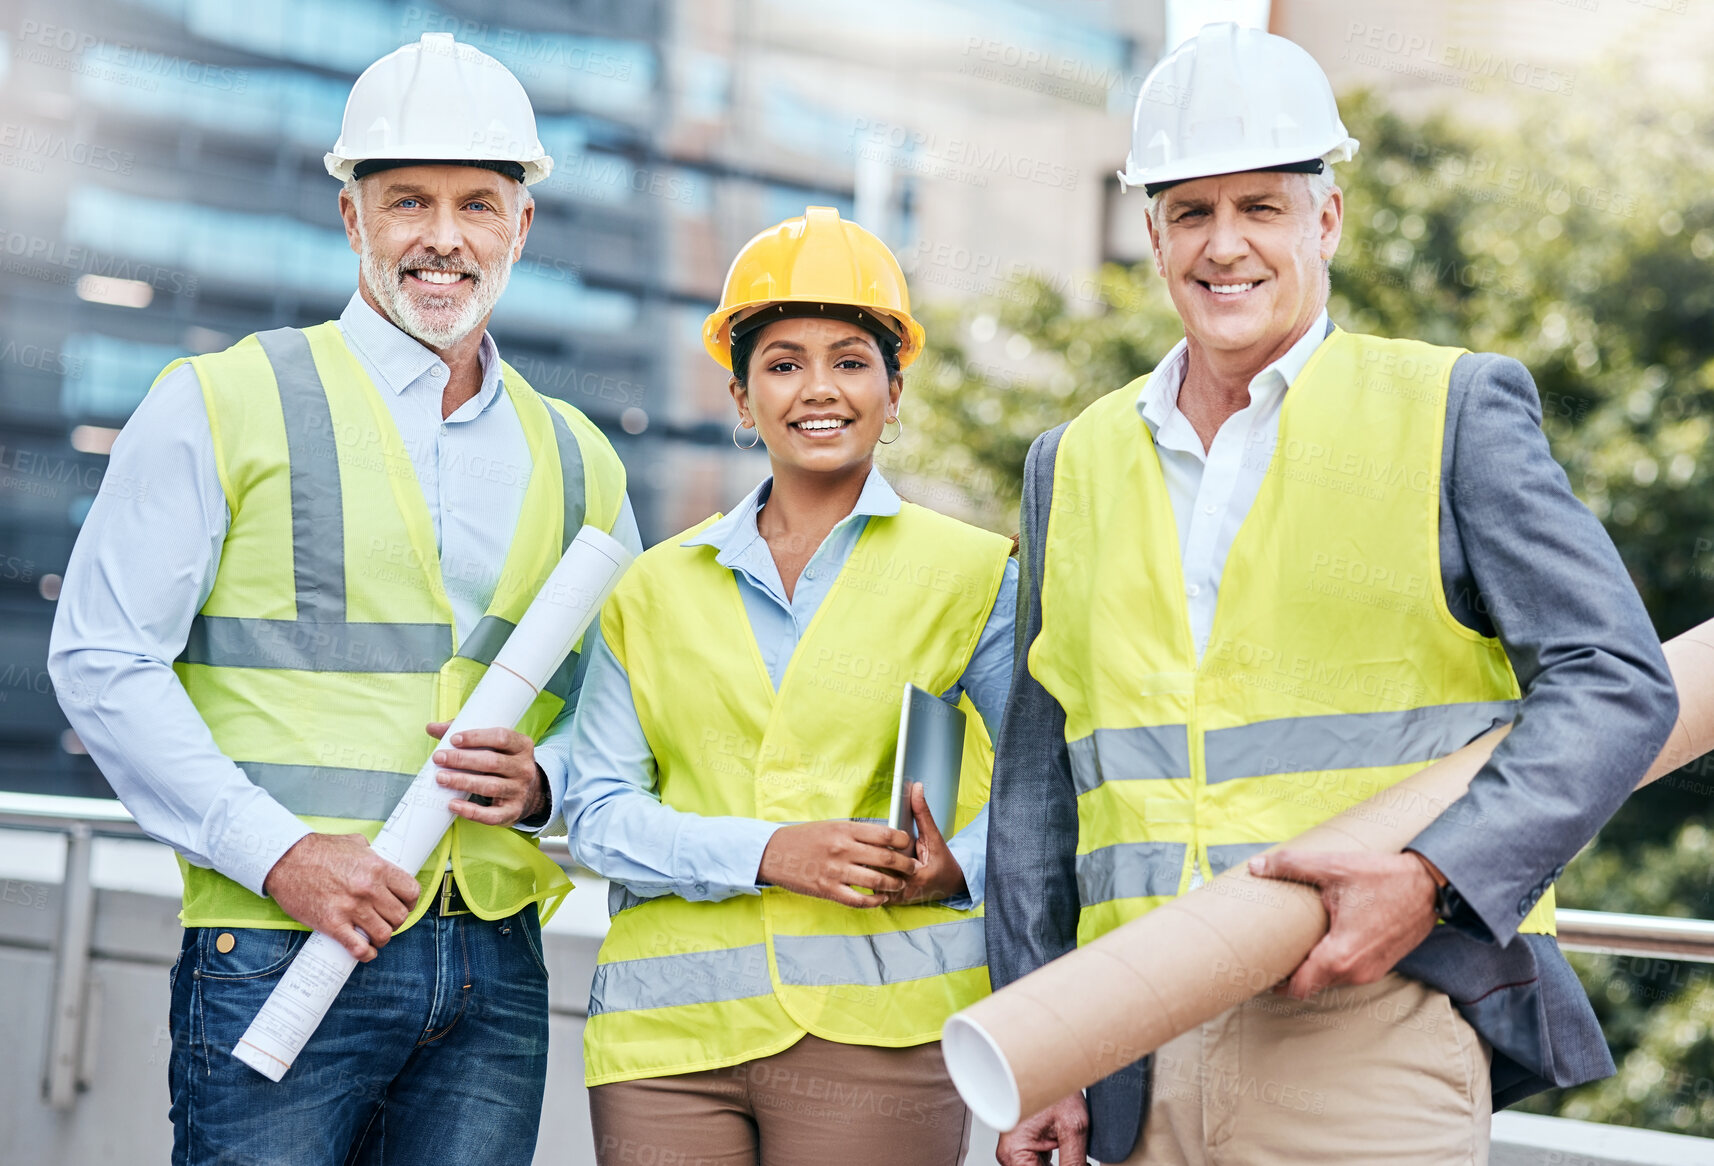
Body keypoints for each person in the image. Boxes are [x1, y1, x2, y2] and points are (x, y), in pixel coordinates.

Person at [987, 23, 1678, 1166]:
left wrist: (1431, 880)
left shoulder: (1450, 410)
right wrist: (1040, 1040)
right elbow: (1037, 784)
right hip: (1127, 1044)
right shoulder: (1074, 459)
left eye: (1260, 206)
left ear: (1326, 220)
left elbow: (1614, 678)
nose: (1225, 246)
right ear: (1152, 234)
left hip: (1367, 1023)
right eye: (1191, 211)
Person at [47, 34, 638, 1166]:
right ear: (350, 218)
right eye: (405, 199)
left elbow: (617, 706)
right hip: (278, 936)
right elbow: (101, 661)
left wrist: (545, 783)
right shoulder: (222, 399)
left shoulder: (580, 457)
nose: (442, 236)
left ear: (523, 227)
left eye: (477, 202)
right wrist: (277, 852)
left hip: (493, 962)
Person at [565, 206, 1017, 1166]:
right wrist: (771, 852)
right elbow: (599, 815)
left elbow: (1047, 787)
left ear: (895, 392)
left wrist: (959, 867)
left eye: (851, 361)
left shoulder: (978, 573)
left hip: (882, 1034)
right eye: (783, 363)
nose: (820, 389)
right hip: (663, 1045)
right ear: (740, 397)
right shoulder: (651, 590)